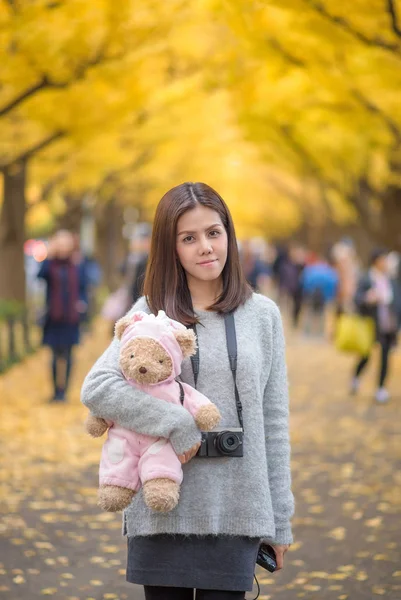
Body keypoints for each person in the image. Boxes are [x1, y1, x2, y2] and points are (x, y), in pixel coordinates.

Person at [81, 182, 294, 600]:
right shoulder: (147, 313)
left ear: (229, 235)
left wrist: (280, 521)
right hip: (164, 504)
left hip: (238, 506)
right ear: (170, 247)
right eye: (189, 238)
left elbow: (274, 422)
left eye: (214, 233)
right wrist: (178, 422)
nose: (206, 247)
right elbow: (99, 387)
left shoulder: (263, 315)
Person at [38, 230, 89, 402]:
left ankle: (64, 392)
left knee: (68, 354)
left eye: (66, 242)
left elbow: (83, 286)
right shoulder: (49, 264)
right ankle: (55, 392)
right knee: (54, 355)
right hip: (54, 316)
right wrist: (48, 254)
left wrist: (82, 303)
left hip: (71, 317)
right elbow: (40, 276)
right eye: (60, 242)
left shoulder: (77, 264)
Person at [351, 248, 401, 403]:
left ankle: (381, 388)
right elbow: (357, 298)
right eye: (382, 259)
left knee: (386, 356)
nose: (385, 262)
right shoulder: (366, 278)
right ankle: (356, 377)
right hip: (370, 324)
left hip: (388, 324)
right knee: (366, 355)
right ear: (376, 261)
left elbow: (397, 301)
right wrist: (367, 298)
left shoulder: (390, 280)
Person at [301, 254, 339, 337]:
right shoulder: (330, 271)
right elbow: (334, 283)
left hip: (311, 294)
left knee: (309, 313)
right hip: (324, 296)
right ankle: (321, 332)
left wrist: (306, 293)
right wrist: (330, 297)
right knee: (323, 315)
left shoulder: (310, 269)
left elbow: (304, 281)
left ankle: (307, 331)